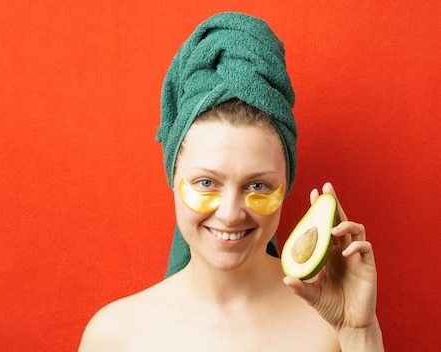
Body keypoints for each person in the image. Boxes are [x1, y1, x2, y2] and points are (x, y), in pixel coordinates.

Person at [78, 12, 383, 351]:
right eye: (206, 183)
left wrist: (359, 332)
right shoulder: (114, 336)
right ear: (173, 178)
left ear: (286, 184)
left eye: (257, 186)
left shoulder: (330, 325)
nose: (230, 213)